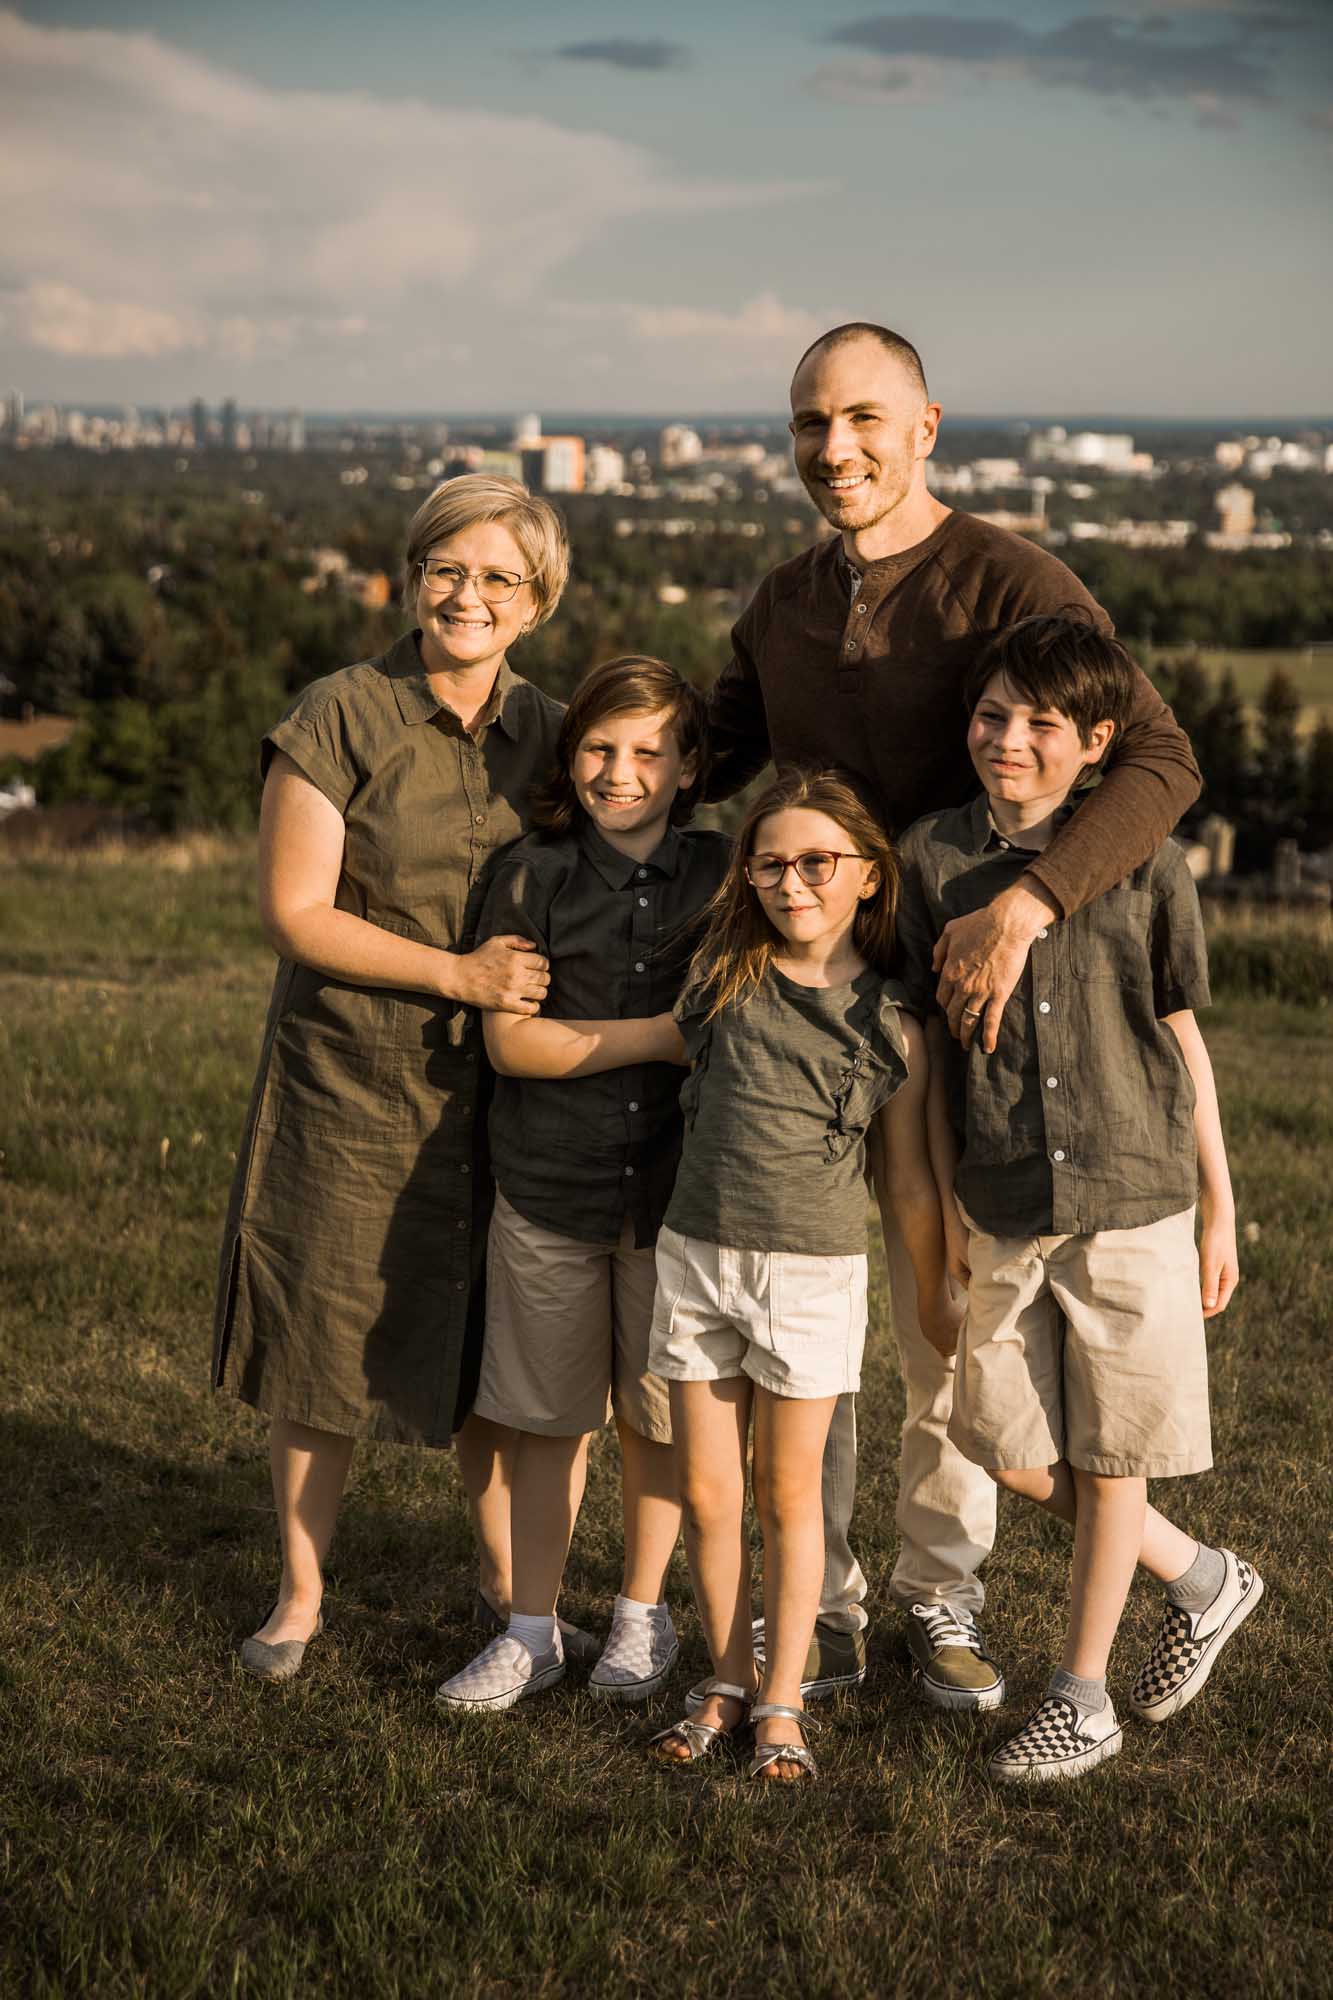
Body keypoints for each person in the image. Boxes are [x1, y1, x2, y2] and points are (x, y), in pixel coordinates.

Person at [702, 321, 1203, 1713]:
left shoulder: (1010, 579)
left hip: (967, 1021)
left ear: (928, 427)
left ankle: (939, 1594)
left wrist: (1030, 903)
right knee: (794, 1305)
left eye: (864, 418)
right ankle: (830, 1599)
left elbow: (1156, 754)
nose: (834, 449)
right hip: (808, 1010)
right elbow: (704, 747)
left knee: (939, 1321)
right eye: (810, 423)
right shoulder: (786, 599)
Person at [215, 474, 576, 1681]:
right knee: (323, 1340)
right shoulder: (341, 714)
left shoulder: (559, 736)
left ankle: (500, 1578)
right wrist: (459, 975)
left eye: (497, 578)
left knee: (491, 1344)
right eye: (447, 568)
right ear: (412, 575)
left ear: (536, 602)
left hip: (509, 1095)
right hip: (351, 1080)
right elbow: (293, 911)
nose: (467, 595)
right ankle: (299, 1591)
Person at [895, 613, 1262, 1782]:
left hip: (1132, 1191)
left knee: (1112, 1454)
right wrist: (947, 1199)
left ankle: (1081, 1693)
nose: (1008, 738)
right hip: (1001, 1192)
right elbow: (930, 1058)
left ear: (1097, 742)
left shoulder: (1144, 858)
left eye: (1041, 723)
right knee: (998, 1441)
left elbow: (1179, 1031)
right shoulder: (931, 860)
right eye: (992, 714)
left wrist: (1220, 1201)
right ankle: (1202, 1576)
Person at [648, 769, 957, 1781]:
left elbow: (908, 1183)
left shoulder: (891, 1021)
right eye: (771, 861)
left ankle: (784, 1699)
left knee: (790, 1497)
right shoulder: (720, 977)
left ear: (868, 876)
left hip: (811, 1280)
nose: (792, 882)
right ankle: (728, 1678)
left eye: (817, 861)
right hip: (696, 1263)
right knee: (706, 1492)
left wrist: (931, 1288)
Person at [436, 656, 731, 1712]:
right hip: (550, 1187)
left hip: (677, 1199)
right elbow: (513, 1047)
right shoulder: (530, 870)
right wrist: (667, 1034)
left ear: (689, 764)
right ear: (571, 755)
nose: (621, 771)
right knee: (546, 1418)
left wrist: (588, 1036)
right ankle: (531, 1625)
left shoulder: (723, 872)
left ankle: (642, 1611)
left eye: (650, 751)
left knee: (656, 1418)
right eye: (601, 747)